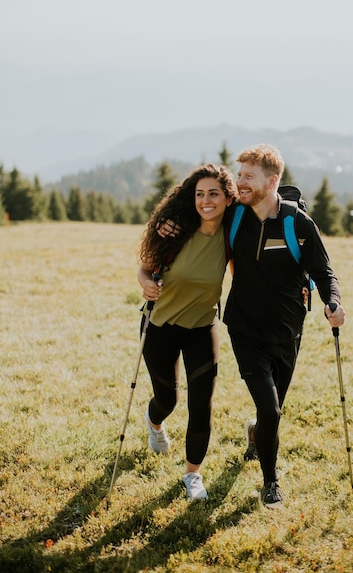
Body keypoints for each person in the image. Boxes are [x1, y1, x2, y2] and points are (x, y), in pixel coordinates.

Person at [222, 144, 345, 509]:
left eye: (248, 176)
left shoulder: (297, 223)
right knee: (271, 410)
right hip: (243, 327)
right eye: (238, 174)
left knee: (270, 413)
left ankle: (257, 435)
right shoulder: (234, 217)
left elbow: (324, 271)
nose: (239, 183)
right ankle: (271, 481)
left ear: (272, 180)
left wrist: (333, 302)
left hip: (288, 331)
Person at [137, 163, 237, 500]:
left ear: (227, 198)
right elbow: (145, 269)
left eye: (213, 194)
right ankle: (154, 424)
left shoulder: (231, 234)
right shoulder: (175, 230)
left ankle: (192, 475)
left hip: (201, 327)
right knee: (168, 399)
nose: (206, 200)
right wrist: (147, 283)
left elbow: (246, 273)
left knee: (201, 405)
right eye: (200, 194)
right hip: (161, 325)